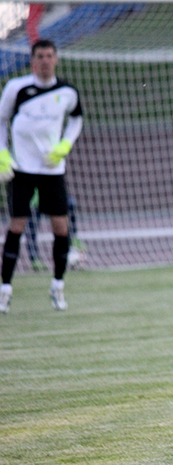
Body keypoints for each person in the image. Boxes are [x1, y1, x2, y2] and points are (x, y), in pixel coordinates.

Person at [0, 39, 83, 312]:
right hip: (22, 169)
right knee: (17, 226)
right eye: (40, 56)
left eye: (49, 55)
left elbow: (76, 119)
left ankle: (58, 286)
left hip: (51, 170)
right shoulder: (17, 88)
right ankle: (5, 289)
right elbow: (1, 120)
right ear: (33, 60)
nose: (45, 60)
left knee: (61, 227)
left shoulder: (67, 92)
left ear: (56, 59)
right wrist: (2, 154)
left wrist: (65, 145)